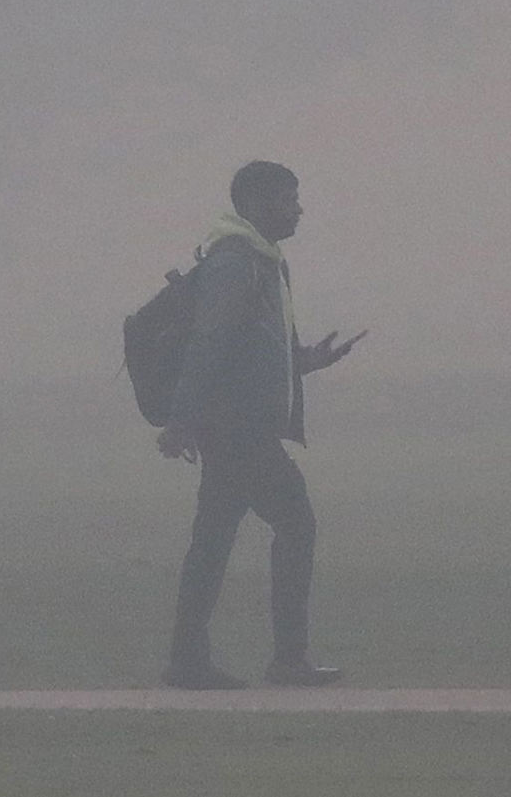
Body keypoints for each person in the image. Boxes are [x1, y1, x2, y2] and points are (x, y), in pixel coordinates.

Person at [158, 158, 364, 687]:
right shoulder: (237, 262)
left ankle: (187, 661)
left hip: (230, 428)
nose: (299, 209)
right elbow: (210, 342)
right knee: (296, 524)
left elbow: (248, 350)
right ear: (253, 203)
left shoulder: (262, 261)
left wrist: (304, 362)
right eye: (288, 198)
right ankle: (287, 659)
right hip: (239, 430)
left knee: (213, 539)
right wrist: (181, 419)